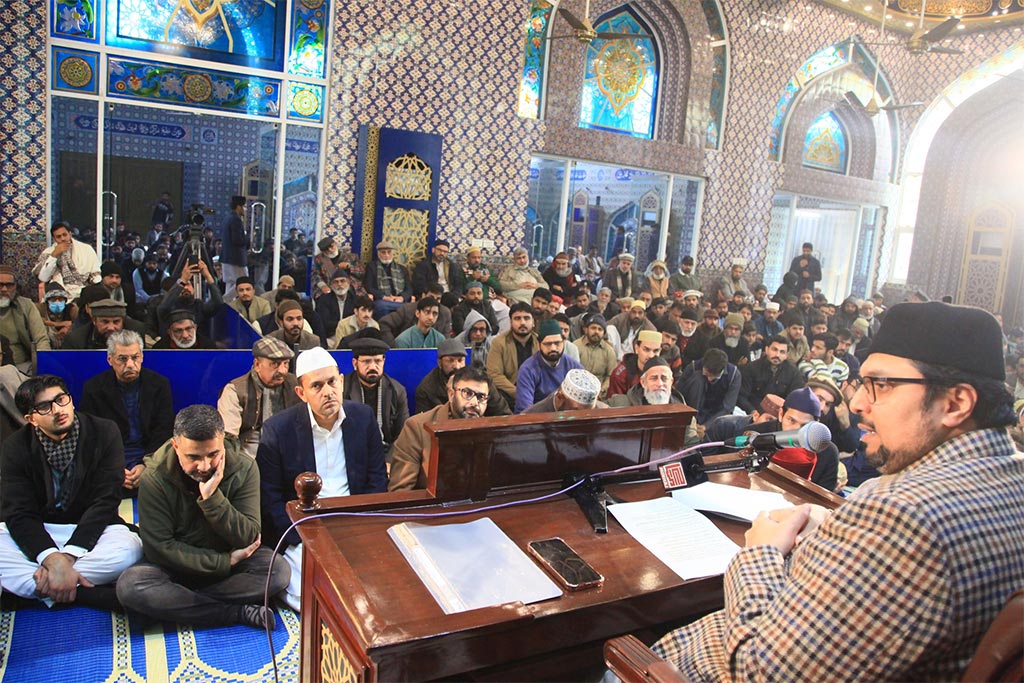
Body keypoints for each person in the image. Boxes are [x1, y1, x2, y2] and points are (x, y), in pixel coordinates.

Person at [645, 301, 1024, 682]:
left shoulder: (906, 520)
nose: (857, 403)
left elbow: (762, 672)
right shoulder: (1008, 481)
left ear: (955, 403)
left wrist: (760, 552)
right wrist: (842, 526)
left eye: (882, 385)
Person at [116, 405, 289, 630]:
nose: (205, 466)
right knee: (131, 586)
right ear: (175, 446)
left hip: (230, 558)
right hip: (179, 566)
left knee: (278, 571)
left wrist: (212, 500)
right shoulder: (154, 478)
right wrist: (223, 562)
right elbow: (159, 548)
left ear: (222, 443)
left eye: (213, 454)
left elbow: (248, 536)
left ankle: (174, 604)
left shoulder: (244, 467)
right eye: (193, 457)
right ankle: (234, 612)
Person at [257, 347, 387, 610]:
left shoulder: (363, 417)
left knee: (385, 575)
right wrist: (301, 536)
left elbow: (376, 483)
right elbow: (270, 498)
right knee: (312, 587)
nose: (328, 391)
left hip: (352, 524)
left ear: (341, 380)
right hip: (306, 529)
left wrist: (359, 528)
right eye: (317, 386)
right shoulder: (278, 430)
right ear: (301, 393)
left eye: (332, 382)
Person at [0, 375, 143, 607]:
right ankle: (83, 592)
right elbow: (19, 512)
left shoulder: (104, 431)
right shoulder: (15, 447)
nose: (58, 410)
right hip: (42, 529)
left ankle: (44, 587)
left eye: (61, 399)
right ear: (31, 419)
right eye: (45, 407)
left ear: (71, 400)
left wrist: (65, 559)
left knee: (130, 550)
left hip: (91, 530)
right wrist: (50, 556)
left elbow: (105, 502)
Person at [80, 330, 174, 495]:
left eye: (135, 357)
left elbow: (164, 430)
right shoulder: (94, 388)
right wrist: (115, 468)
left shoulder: (159, 385)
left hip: (149, 454)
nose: (130, 364)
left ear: (142, 357)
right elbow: (90, 435)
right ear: (110, 360)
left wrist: (146, 464)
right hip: (111, 456)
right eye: (122, 359)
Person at [389, 365, 490, 490]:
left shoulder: (489, 431)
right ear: (451, 394)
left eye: (481, 397)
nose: (475, 403)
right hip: (431, 505)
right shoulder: (417, 428)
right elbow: (401, 491)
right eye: (468, 393)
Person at [217, 336, 299, 460]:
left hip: (289, 448)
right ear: (257, 364)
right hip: (250, 453)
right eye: (275, 364)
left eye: (286, 364)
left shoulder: (295, 384)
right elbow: (229, 438)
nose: (282, 371)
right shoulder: (235, 390)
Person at [343, 337, 410, 460]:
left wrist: (389, 461)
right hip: (351, 453)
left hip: (385, 452)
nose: (372, 367)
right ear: (355, 363)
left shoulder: (397, 390)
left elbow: (403, 434)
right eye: (366, 362)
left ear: (384, 361)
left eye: (377, 361)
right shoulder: (342, 389)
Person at [515, 319, 584, 413]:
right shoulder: (528, 369)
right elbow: (524, 411)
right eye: (548, 344)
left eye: (557, 343)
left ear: (563, 343)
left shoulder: (574, 367)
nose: (553, 348)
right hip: (539, 421)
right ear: (539, 345)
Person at [33, 221, 101, 300]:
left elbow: (96, 272)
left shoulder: (86, 249)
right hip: (58, 294)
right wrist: (54, 255)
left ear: (70, 234)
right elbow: (43, 278)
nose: (63, 239)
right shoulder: (49, 252)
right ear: (54, 239)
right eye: (58, 237)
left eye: (64, 235)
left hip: (84, 290)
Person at [0, 265, 51, 370]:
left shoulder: (26, 306)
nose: (4, 289)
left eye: (9, 285)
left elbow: (41, 339)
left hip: (22, 366)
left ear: (15, 287)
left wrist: (44, 365)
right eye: (0, 285)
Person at [737, 335, 804, 413]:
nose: (777, 355)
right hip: (752, 413)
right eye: (774, 350)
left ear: (786, 355)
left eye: (782, 352)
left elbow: (795, 399)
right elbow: (742, 396)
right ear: (766, 349)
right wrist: (752, 411)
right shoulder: (751, 368)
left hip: (780, 416)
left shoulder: (794, 373)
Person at [676, 348, 740, 425]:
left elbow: (727, 408)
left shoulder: (733, 375)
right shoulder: (693, 367)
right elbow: (679, 393)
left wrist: (706, 426)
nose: (710, 379)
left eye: (714, 376)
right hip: (692, 409)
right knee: (698, 378)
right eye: (707, 375)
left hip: (716, 414)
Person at [157, 259, 223, 334]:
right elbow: (163, 307)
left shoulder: (199, 306)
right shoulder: (169, 307)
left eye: (188, 284)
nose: (185, 288)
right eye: (183, 285)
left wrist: (208, 276)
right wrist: (183, 279)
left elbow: (218, 303)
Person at [607, 356, 689, 412]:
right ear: (643, 382)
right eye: (654, 378)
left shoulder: (682, 411)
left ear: (671, 382)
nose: (660, 383)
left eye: (664, 379)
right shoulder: (622, 403)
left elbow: (690, 437)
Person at [63, 297, 144, 351]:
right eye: (105, 322)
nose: (111, 327)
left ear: (123, 320)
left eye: (116, 322)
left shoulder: (136, 332)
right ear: (94, 320)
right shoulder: (76, 340)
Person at [523, 368, 606, 413]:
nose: (585, 417)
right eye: (577, 412)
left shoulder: (603, 411)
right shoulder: (531, 418)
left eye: (589, 412)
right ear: (560, 398)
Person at [607, 330, 662, 397]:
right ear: (637, 348)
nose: (651, 355)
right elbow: (615, 403)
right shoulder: (621, 375)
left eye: (656, 351)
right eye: (646, 350)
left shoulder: (663, 371)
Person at [364, 241, 411, 318]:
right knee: (381, 306)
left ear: (393, 254)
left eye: (389, 252)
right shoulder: (372, 267)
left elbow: (409, 288)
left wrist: (402, 297)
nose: (386, 255)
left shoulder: (402, 269)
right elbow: (369, 287)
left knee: (411, 308)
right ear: (378, 254)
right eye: (383, 253)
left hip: (399, 300)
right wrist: (384, 297)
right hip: (382, 300)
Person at [574, 313, 617, 397]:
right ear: (586, 330)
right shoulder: (575, 346)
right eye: (593, 328)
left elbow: (611, 376)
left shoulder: (609, 351)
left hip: (599, 394)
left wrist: (602, 389)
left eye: (600, 329)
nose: (596, 331)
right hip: (577, 392)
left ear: (604, 333)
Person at [219, 196, 249, 300]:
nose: (245, 209)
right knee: (243, 282)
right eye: (244, 206)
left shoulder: (227, 218)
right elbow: (238, 240)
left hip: (226, 257)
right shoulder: (236, 220)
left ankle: (228, 308)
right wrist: (248, 238)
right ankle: (223, 302)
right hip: (236, 259)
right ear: (238, 207)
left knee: (230, 284)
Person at [315, 268, 356, 340]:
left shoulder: (354, 299)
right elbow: (325, 323)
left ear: (348, 283)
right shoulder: (324, 300)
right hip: (331, 336)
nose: (339, 284)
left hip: (351, 336)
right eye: (336, 282)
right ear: (331, 285)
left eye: (342, 281)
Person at [37, 282, 77, 349]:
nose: (57, 302)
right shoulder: (41, 308)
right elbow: (37, 321)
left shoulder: (71, 309)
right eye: (53, 299)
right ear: (47, 301)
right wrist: (59, 324)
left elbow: (79, 323)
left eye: (61, 299)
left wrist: (68, 328)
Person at [153, 309, 217, 349]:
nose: (185, 335)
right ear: (170, 333)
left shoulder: (209, 347)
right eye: (178, 331)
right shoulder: (159, 349)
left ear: (195, 328)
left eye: (188, 328)